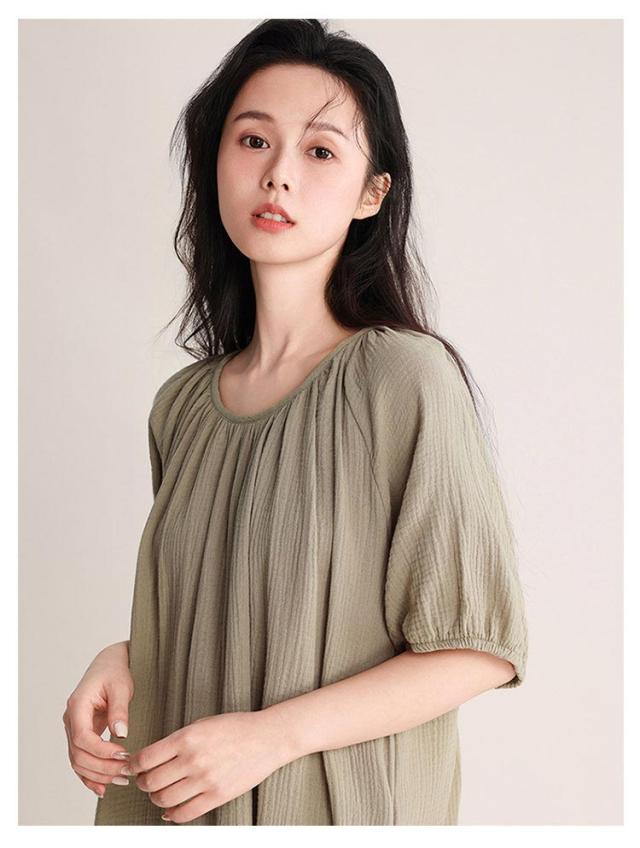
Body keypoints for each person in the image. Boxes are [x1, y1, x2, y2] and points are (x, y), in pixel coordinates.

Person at [63, 19, 529, 826]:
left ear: (372, 193)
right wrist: (134, 653)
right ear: (215, 163)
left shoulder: (402, 379)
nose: (278, 174)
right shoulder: (182, 408)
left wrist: (271, 738)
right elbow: (256, 606)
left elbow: (475, 649)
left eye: (319, 151)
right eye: (253, 141)